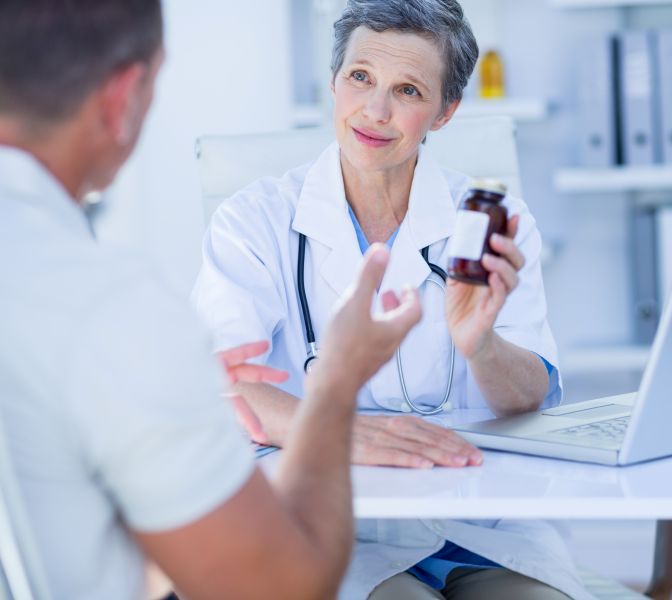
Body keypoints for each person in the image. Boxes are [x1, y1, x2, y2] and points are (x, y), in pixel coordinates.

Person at [0, 1, 423, 599]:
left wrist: (158, 420)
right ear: (124, 98)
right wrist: (334, 385)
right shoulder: (110, 306)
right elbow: (283, 589)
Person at [191, 1, 592, 598]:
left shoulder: (489, 222)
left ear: (445, 111)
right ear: (334, 81)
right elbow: (219, 384)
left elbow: (531, 396)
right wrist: (336, 429)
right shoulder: (254, 221)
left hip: (480, 522)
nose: (375, 111)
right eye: (360, 78)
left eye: (407, 90)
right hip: (331, 522)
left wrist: (480, 346)